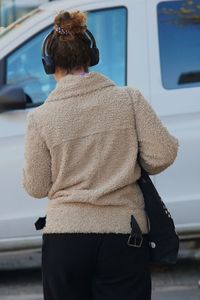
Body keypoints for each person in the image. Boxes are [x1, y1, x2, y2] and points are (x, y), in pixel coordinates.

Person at [22, 10, 179, 300]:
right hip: (125, 236)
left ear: (49, 64)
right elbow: (163, 154)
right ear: (92, 57)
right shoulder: (128, 99)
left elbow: (36, 187)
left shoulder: (40, 118)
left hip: (64, 241)